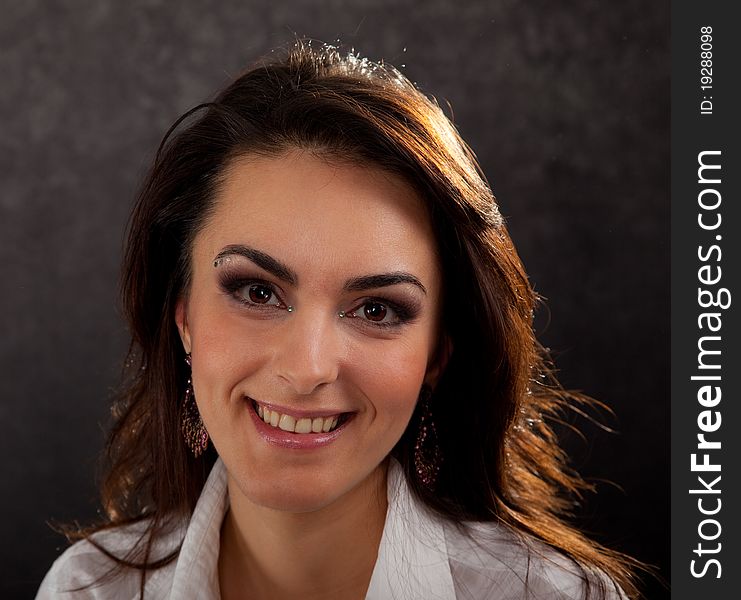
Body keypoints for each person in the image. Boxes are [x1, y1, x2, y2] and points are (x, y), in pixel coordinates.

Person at [37, 40, 639, 599]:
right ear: (183, 316)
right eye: (256, 291)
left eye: (376, 310)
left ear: (438, 354)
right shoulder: (85, 589)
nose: (307, 369)